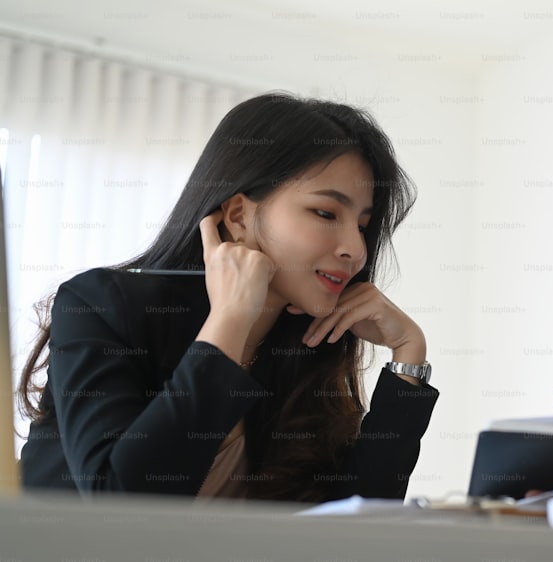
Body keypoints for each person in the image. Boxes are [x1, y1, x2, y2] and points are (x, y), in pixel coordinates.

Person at [18, 93, 438, 503]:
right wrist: (231, 318)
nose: (356, 250)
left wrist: (408, 357)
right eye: (326, 214)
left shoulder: (307, 349)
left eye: (363, 225)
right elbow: (123, 500)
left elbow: (353, 533)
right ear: (238, 216)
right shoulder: (102, 305)